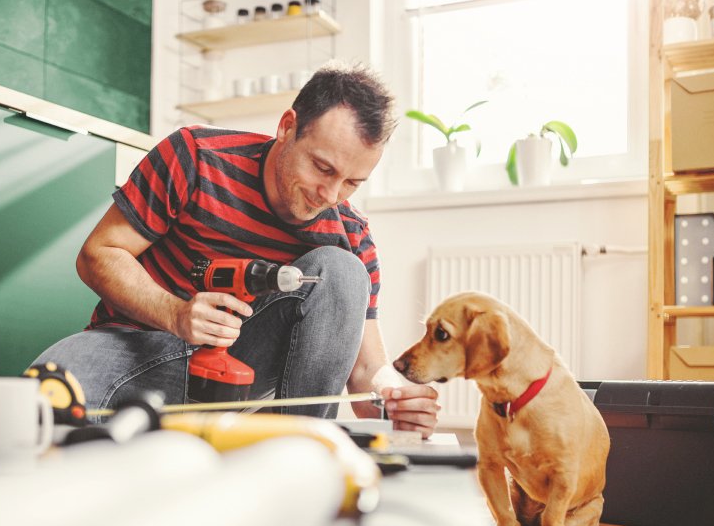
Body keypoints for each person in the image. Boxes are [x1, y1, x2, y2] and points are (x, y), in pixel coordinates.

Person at [31, 63, 440, 437]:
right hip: (136, 347)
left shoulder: (349, 232)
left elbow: (366, 369)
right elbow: (99, 253)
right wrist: (174, 313)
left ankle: (295, 450)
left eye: (353, 182)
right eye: (323, 168)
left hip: (242, 376)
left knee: (343, 271)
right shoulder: (196, 156)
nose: (330, 195)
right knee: (40, 398)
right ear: (287, 127)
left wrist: (393, 403)